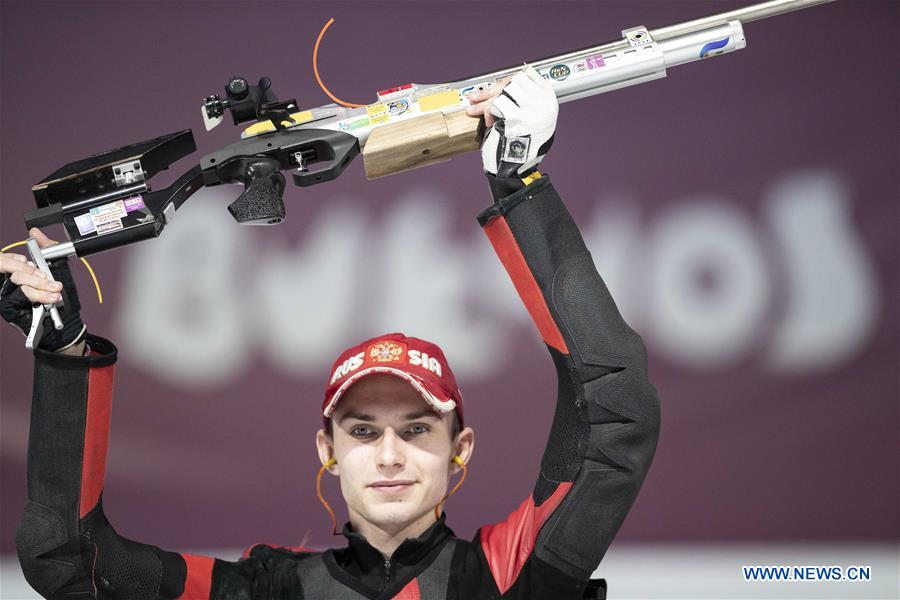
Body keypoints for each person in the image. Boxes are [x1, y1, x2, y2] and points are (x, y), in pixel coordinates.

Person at [2, 66, 660, 600]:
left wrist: (521, 181)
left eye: (417, 428)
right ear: (328, 447)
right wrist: (65, 355)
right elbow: (69, 561)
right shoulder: (265, 592)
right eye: (364, 430)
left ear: (461, 445)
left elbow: (615, 412)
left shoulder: (504, 577)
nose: (391, 455)